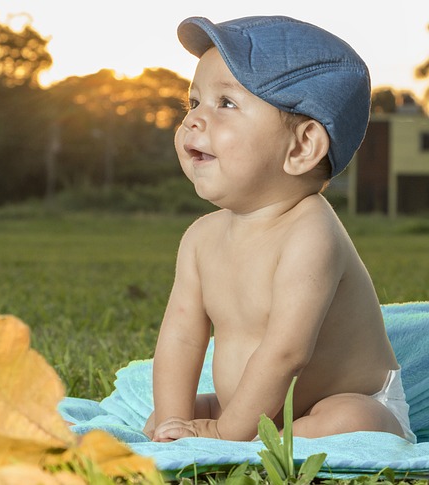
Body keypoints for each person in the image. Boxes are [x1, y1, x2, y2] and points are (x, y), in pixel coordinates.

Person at [143, 15, 416, 443]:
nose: (193, 121)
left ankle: (253, 440)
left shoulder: (311, 233)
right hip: (248, 407)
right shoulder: (200, 238)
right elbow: (180, 338)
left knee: (351, 420)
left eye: (226, 104)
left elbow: (287, 353)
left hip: (340, 401)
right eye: (193, 103)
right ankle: (247, 436)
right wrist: (173, 423)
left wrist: (225, 432)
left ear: (302, 147)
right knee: (158, 419)